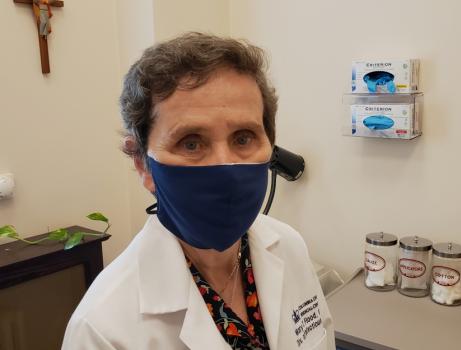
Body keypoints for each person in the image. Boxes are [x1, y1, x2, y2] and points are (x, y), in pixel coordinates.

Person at [62, 32, 335, 350]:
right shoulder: (101, 329)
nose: (225, 165)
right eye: (191, 142)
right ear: (142, 164)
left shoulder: (289, 246)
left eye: (243, 138)